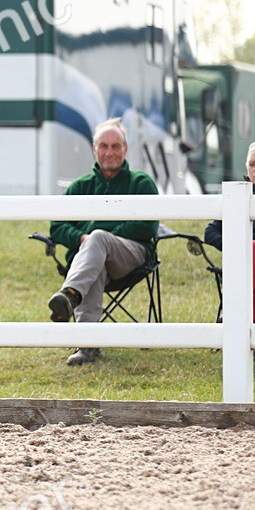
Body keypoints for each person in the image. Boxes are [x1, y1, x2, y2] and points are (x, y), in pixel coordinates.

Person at [46, 118, 159, 364]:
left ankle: (70, 295)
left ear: (125, 149)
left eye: (116, 146)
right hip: (90, 262)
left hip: (131, 256)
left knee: (98, 239)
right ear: (94, 149)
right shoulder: (79, 187)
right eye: (104, 146)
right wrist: (81, 238)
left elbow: (147, 226)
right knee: (94, 258)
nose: (109, 152)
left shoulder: (141, 183)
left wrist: (100, 235)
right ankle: (88, 346)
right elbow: (56, 227)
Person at [202, 139, 255, 322]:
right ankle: (247, 326)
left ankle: (232, 312)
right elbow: (210, 232)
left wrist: (247, 241)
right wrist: (235, 246)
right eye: (252, 164)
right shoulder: (237, 195)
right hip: (252, 263)